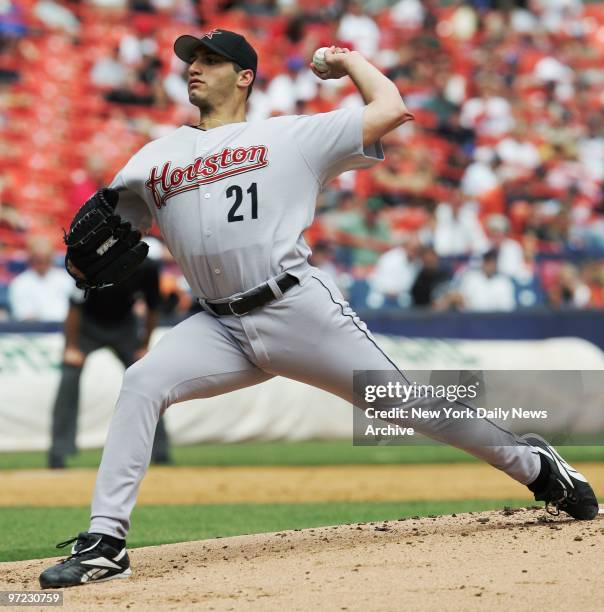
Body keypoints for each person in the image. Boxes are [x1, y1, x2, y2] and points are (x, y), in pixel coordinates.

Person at [39, 28, 598, 589]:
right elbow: (105, 234)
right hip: (218, 325)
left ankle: (535, 465)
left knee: (407, 404)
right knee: (142, 382)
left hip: (296, 309)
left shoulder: (292, 136)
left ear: (244, 76)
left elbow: (391, 108)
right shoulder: (152, 159)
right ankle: (105, 542)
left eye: (211, 59)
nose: (195, 67)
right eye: (192, 59)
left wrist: (349, 60)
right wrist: (86, 262)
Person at [48, 258, 171, 469]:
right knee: (69, 374)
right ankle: (59, 451)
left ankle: (160, 451)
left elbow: (153, 307)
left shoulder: (147, 266)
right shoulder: (92, 257)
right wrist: (70, 346)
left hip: (124, 325)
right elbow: (75, 305)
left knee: (148, 377)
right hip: (87, 324)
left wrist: (144, 345)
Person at [8, 237, 73, 322]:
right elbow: (23, 315)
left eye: (47, 259)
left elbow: (76, 308)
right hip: (35, 332)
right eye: (39, 260)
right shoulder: (19, 283)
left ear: (52, 258)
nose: (43, 264)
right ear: (31, 259)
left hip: (66, 328)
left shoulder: (66, 278)